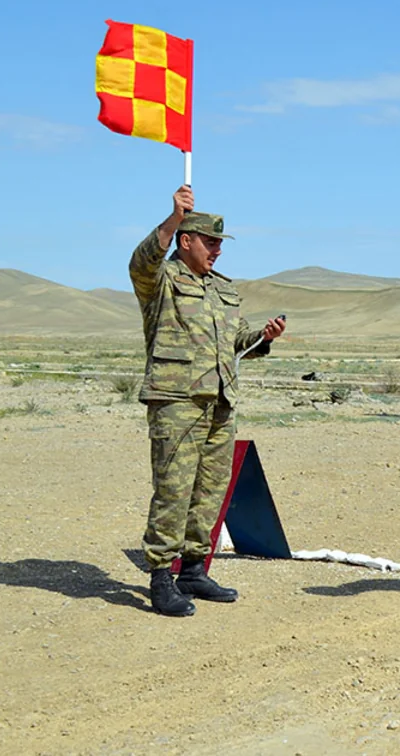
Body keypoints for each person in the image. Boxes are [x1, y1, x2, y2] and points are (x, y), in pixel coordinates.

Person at [129, 186, 286, 617]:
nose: (218, 250)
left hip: (220, 400)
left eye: (220, 243)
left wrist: (262, 337)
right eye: (211, 241)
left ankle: (194, 570)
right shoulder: (161, 280)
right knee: (173, 490)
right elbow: (141, 264)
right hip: (177, 399)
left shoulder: (222, 290)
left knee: (210, 489)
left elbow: (235, 342)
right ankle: (161, 576)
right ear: (186, 240)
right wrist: (171, 218)